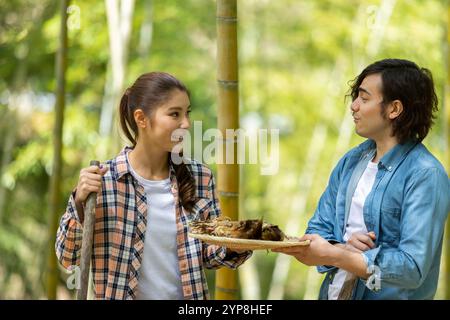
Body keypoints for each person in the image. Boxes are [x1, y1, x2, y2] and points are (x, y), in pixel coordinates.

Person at [56, 72, 251, 300]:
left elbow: (209, 254)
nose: (186, 124)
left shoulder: (200, 177)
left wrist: (244, 240)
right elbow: (68, 258)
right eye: (174, 114)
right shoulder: (103, 182)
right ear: (141, 119)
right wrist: (80, 203)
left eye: (187, 113)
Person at [274, 59, 450, 299]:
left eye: (364, 99)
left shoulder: (425, 174)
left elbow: (412, 268)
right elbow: (317, 229)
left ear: (394, 109)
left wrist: (338, 255)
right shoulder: (352, 161)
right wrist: (344, 248)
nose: (354, 106)